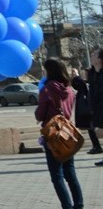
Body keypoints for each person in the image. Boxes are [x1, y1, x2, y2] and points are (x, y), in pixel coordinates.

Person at [36, 58, 84, 209]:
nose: (43, 72)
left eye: (44, 69)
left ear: (50, 71)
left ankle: (67, 206)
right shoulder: (69, 89)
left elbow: (39, 114)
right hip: (67, 133)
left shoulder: (47, 89)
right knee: (70, 172)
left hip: (53, 136)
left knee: (57, 175)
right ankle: (79, 204)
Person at [87, 48, 103, 164]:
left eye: (94, 55)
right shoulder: (93, 74)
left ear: (100, 59)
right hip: (97, 109)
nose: (91, 56)